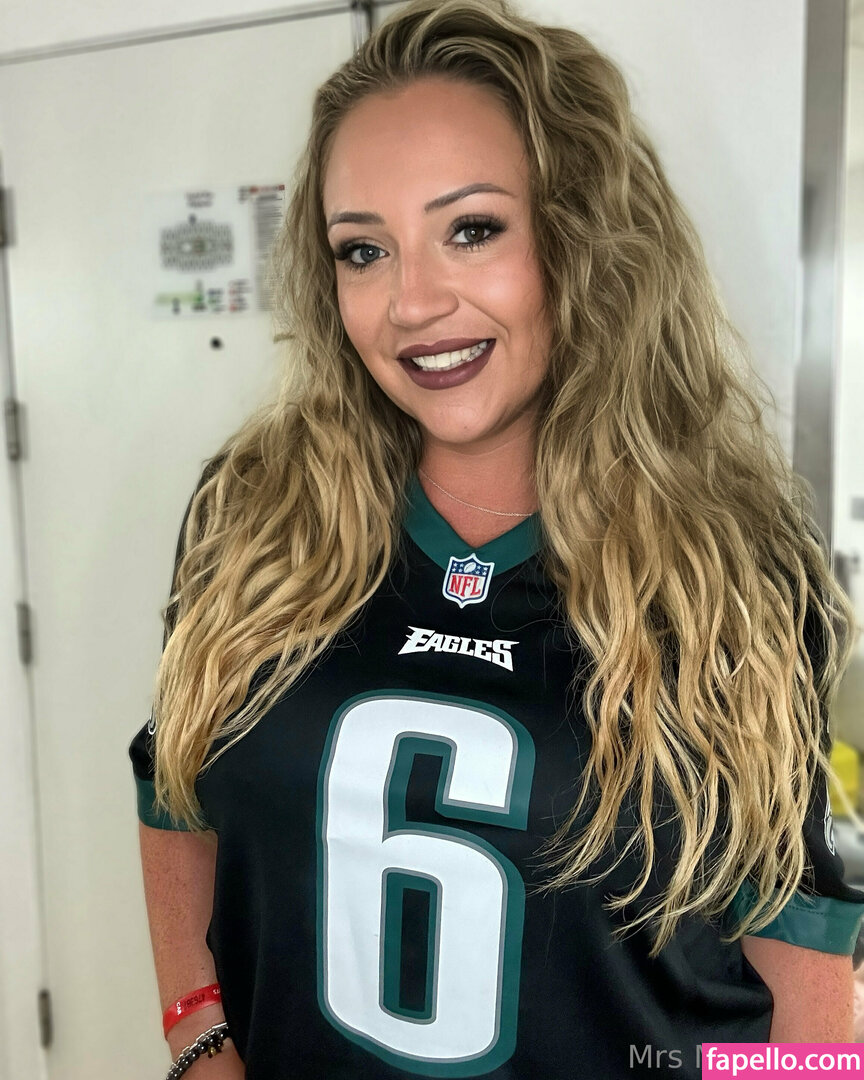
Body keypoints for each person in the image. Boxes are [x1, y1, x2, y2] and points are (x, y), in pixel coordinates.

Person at [129, 1, 864, 1077]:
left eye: (471, 230)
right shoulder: (255, 517)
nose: (411, 302)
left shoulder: (729, 566)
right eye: (363, 250)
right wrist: (198, 1034)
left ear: (581, 235)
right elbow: (172, 789)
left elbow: (800, 952)